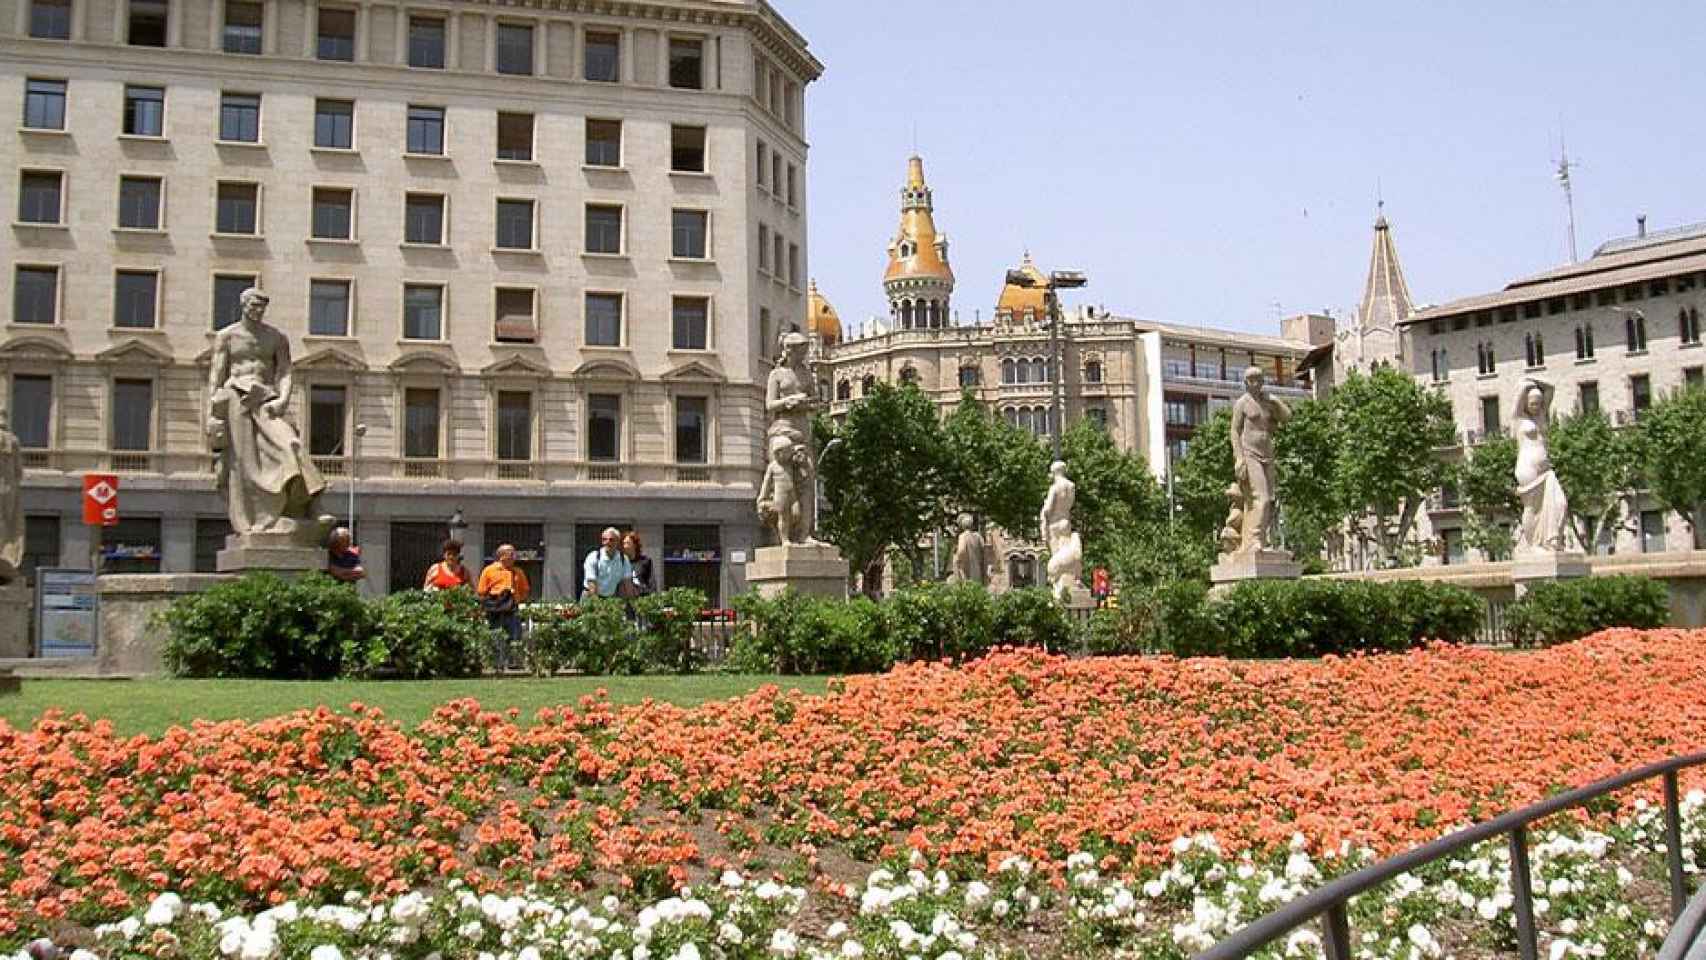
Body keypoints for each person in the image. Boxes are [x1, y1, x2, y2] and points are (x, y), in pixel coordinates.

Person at [1229, 365, 1290, 553]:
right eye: (1251, 380)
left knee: (1270, 500)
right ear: (1246, 383)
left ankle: (1263, 540)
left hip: (1267, 455)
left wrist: (1276, 400)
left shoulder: (1267, 402)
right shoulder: (1242, 403)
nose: (1255, 383)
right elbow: (1234, 431)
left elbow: (1287, 417)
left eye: (1259, 379)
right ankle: (1254, 539)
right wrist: (1239, 458)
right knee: (1261, 498)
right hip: (1250, 454)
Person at [1513, 378, 1571, 556]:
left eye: (1538, 403)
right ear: (1525, 403)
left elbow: (1551, 388)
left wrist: (1536, 383)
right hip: (1527, 468)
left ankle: (1551, 540)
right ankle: (1534, 545)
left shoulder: (1541, 417)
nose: (1536, 406)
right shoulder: (1518, 419)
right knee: (1532, 508)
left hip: (1546, 471)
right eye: (1532, 403)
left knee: (1560, 503)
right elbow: (1521, 389)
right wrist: (1528, 384)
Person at [477, 544, 530, 670]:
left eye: (514, 554)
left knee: (515, 635)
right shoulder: (489, 571)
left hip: (512, 609)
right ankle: (496, 663)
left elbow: (525, 590)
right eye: (511, 554)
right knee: (495, 635)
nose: (514, 557)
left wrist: (516, 599)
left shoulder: (518, 572)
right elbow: (481, 591)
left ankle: (513, 662)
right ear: (501, 556)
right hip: (495, 609)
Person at [583, 526, 633, 598]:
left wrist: (632, 602)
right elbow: (592, 585)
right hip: (590, 595)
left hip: (610, 597)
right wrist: (597, 606)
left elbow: (627, 584)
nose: (607, 542)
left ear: (618, 541)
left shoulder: (624, 559)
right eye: (604, 539)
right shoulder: (593, 557)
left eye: (611, 540)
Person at [624, 531, 655, 596]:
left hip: (642, 597)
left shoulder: (645, 561)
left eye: (628, 543)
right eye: (624, 543)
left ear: (635, 545)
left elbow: (651, 583)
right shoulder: (621, 562)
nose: (625, 546)